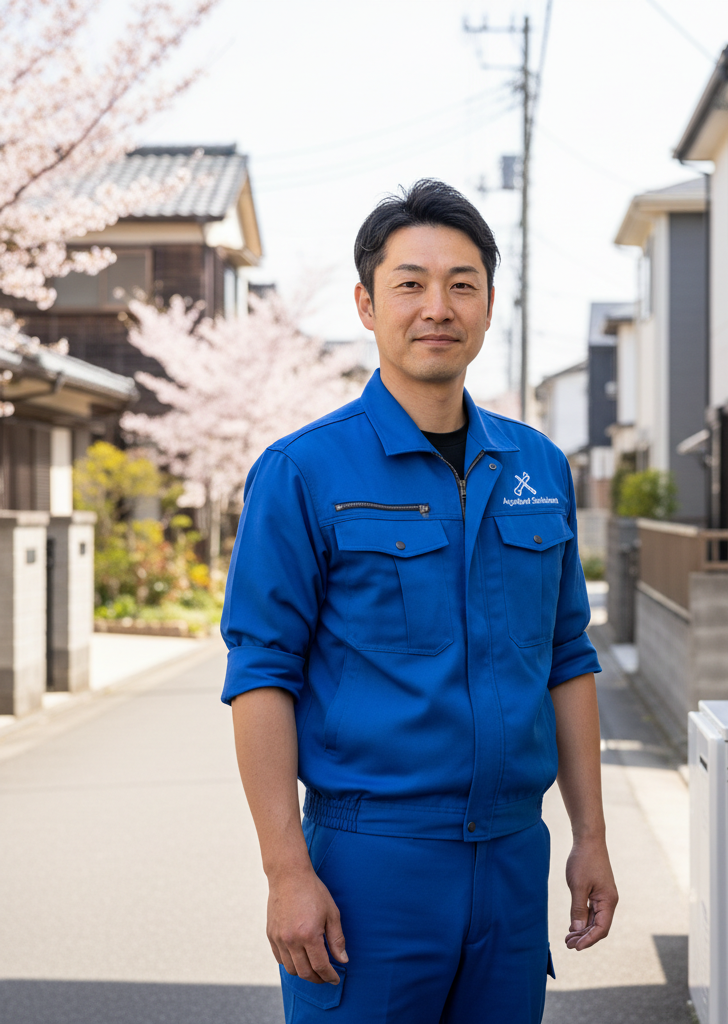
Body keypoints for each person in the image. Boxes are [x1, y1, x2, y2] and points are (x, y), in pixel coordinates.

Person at [222, 178, 617, 1023]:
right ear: (367, 305)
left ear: (487, 304)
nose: (437, 306)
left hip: (514, 858)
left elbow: (567, 657)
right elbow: (260, 673)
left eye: (461, 284)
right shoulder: (303, 473)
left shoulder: (539, 469)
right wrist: (287, 871)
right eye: (410, 284)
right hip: (372, 865)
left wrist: (590, 837)